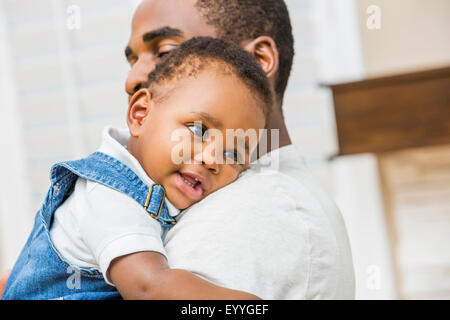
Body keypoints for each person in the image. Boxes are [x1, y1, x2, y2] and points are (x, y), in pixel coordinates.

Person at [1, 0, 355, 299]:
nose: (131, 79)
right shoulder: (121, 189)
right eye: (133, 59)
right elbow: (146, 285)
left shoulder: (257, 209)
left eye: (167, 52)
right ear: (140, 113)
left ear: (260, 61)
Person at [1, 37, 272, 300]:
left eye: (232, 153)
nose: (212, 160)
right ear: (140, 114)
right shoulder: (109, 195)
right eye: (198, 129)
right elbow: (148, 287)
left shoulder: (166, 184)